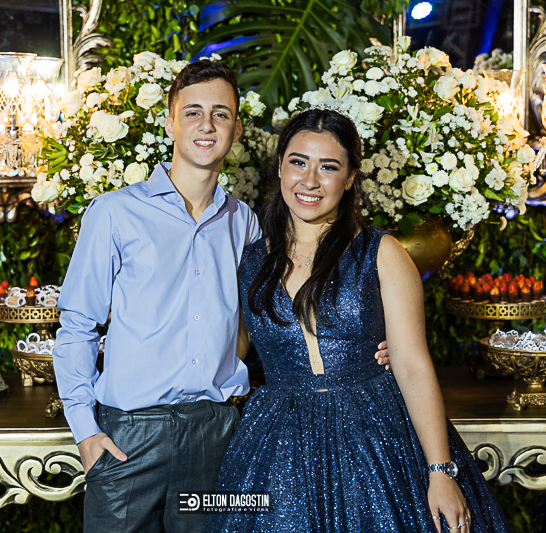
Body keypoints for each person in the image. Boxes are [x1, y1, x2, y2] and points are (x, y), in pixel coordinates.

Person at [54, 60, 393, 533]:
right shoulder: (114, 213)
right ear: (169, 122)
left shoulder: (246, 224)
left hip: (216, 435)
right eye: (193, 112)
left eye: (221, 114)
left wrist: (369, 345)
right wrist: (85, 431)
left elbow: (279, 312)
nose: (207, 125)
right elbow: (77, 326)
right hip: (129, 435)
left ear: (236, 128)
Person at [206, 107, 511, 533]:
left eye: (328, 167)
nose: (310, 180)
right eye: (298, 162)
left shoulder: (382, 252)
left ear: (350, 177)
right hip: (278, 441)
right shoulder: (249, 260)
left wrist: (440, 471)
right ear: (280, 167)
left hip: (375, 433)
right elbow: (225, 354)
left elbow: (413, 365)